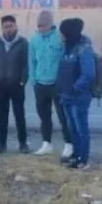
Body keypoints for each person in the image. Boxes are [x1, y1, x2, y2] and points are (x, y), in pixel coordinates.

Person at [29, 10, 72, 159]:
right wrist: (33, 79)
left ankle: (69, 143)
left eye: (43, 25)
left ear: (50, 24)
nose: (40, 28)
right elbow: (32, 61)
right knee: (44, 116)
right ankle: (46, 143)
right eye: (38, 25)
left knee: (63, 115)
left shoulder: (59, 39)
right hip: (40, 84)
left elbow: (65, 60)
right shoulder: (34, 40)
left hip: (56, 84)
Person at [56, 18, 95, 169]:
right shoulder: (67, 47)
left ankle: (82, 159)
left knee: (80, 127)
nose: (61, 36)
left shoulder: (84, 49)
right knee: (72, 127)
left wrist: (75, 88)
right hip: (66, 95)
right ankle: (76, 154)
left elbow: (89, 74)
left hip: (79, 97)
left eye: (63, 33)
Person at [0, 15, 29, 154]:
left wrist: (23, 80)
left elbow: (26, 64)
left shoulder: (23, 43)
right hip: (1, 85)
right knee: (2, 115)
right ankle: (1, 144)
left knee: (19, 115)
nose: (8, 29)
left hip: (17, 85)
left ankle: (23, 144)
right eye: (5, 27)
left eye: (11, 26)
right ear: (2, 28)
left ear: (15, 26)